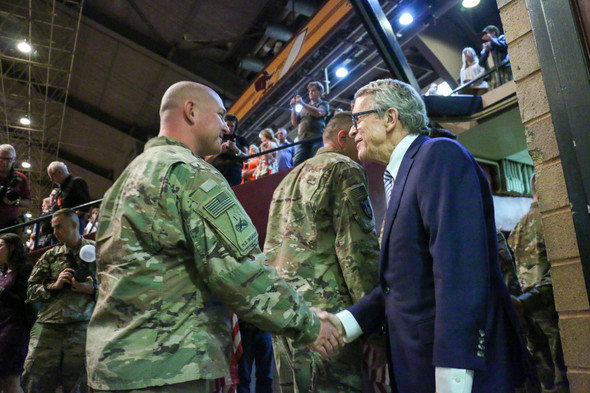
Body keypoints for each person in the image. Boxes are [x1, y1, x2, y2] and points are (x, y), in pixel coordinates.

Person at [85, 81, 341, 393]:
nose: (225, 127)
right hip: (170, 367)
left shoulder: (123, 182)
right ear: (190, 111)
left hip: (112, 365)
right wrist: (309, 325)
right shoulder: (189, 173)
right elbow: (238, 270)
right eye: (220, 115)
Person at [324, 79, 529, 393]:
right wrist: (342, 324)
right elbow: (399, 283)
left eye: (358, 119)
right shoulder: (405, 172)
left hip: (457, 373)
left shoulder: (438, 155)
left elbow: (460, 270)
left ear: (391, 118)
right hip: (419, 366)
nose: (352, 131)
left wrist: (454, 377)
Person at [265, 111, 380, 393]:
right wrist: (373, 323)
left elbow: (269, 252)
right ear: (342, 138)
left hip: (289, 318)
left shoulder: (286, 181)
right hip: (329, 322)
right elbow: (357, 251)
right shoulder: (344, 169)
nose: (359, 143)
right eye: (353, 136)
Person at [23, 208, 97, 393]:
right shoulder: (50, 255)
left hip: (81, 328)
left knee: (78, 385)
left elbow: (114, 289)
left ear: (73, 225)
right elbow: (30, 292)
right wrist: (52, 286)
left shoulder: (97, 252)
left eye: (58, 227)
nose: (54, 232)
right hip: (48, 327)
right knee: (35, 380)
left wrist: (92, 289)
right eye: (53, 228)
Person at [508, 174, 569, 393]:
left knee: (544, 377)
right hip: (553, 307)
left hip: (527, 311)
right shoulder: (554, 221)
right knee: (566, 374)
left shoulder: (518, 226)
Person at [0, 233, 33, 393]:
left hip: (15, 329)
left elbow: (23, 302)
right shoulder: (3, 271)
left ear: (12, 248)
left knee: (10, 379)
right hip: (2, 325)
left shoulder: (25, 269)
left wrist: (1, 291)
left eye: (0, 246)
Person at [290, 81, 329, 166]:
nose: (310, 93)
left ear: (320, 92)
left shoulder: (323, 104)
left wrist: (302, 103)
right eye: (310, 91)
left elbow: (318, 113)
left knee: (317, 161)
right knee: (298, 163)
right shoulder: (304, 107)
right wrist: (293, 108)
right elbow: (295, 122)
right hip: (302, 139)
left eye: (313, 90)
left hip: (316, 138)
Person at [47, 161, 91, 234]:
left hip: (73, 224)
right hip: (62, 225)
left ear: (59, 172)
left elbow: (85, 205)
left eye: (52, 176)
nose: (52, 179)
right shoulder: (62, 188)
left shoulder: (77, 182)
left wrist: (68, 219)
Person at [209, 113, 249, 186]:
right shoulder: (215, 138)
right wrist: (220, 151)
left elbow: (246, 158)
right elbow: (207, 159)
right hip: (218, 172)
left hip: (235, 173)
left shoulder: (241, 139)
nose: (229, 128)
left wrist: (236, 149)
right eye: (227, 125)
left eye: (232, 126)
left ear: (235, 127)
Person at [0, 144, 32, 230]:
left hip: (8, 225)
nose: (3, 162)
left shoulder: (20, 179)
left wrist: (15, 201)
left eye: (8, 159)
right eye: (1, 158)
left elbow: (29, 203)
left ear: (14, 159)